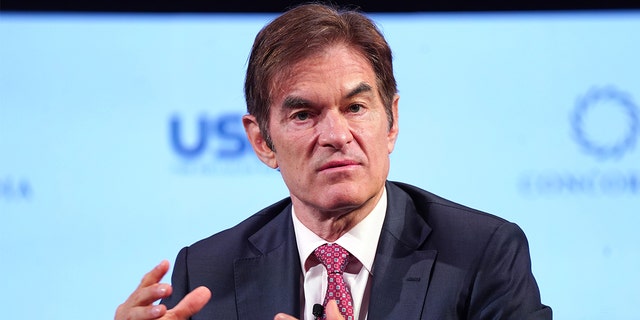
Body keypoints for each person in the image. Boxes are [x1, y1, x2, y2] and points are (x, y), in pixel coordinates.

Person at [115, 3, 552, 320]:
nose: (337, 135)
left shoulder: (481, 254)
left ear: (392, 120)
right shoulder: (207, 274)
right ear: (262, 141)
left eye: (356, 108)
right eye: (304, 115)